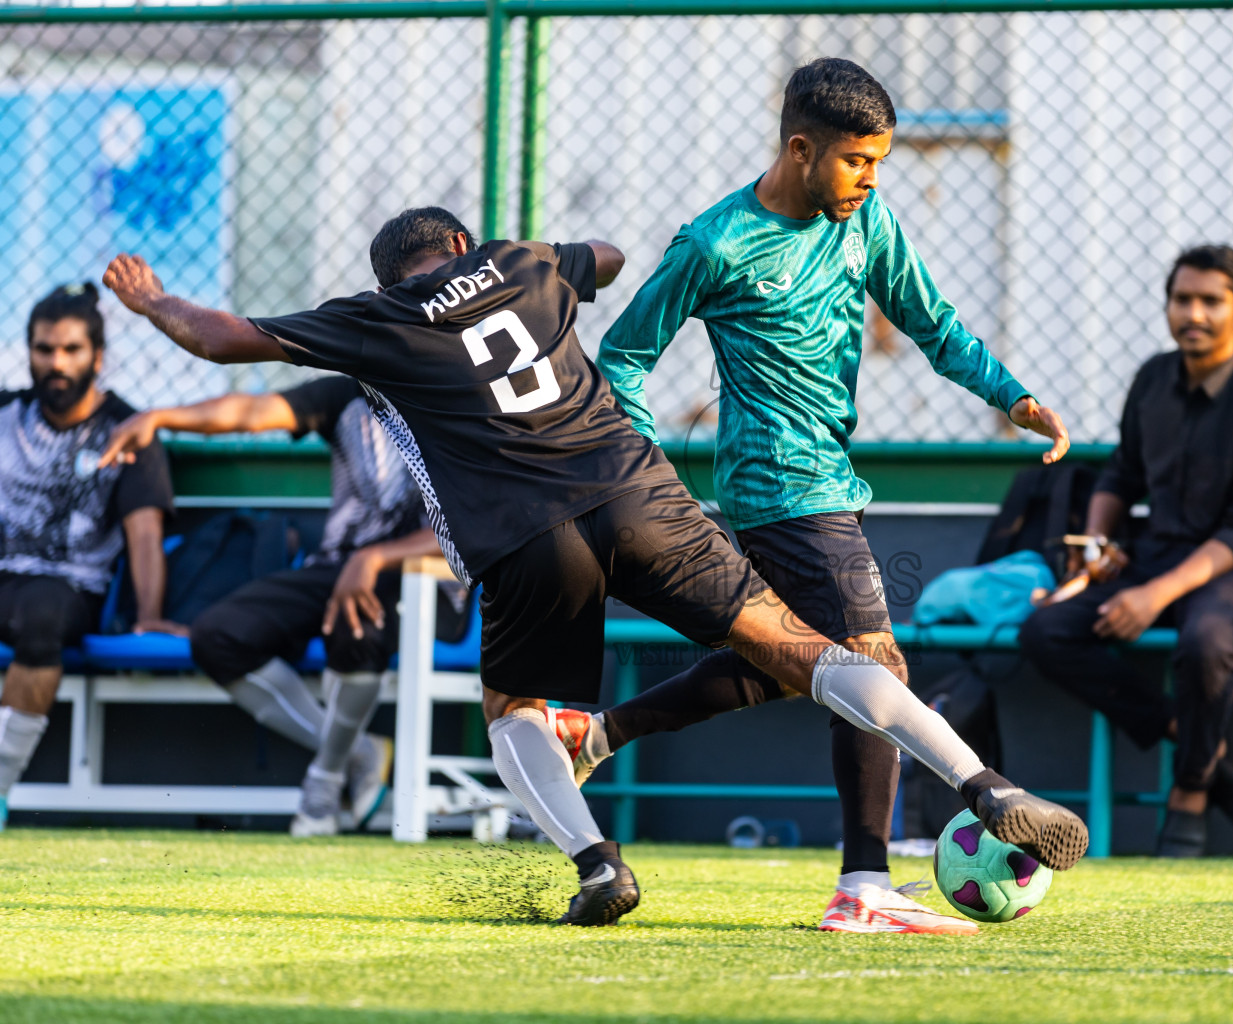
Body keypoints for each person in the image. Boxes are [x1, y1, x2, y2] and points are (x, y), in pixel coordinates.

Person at [101, 207, 1087, 927]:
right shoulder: (525, 264)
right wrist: (548, 265)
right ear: (459, 246)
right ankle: (984, 781)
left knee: (513, 712)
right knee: (801, 645)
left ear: (396, 272)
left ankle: (597, 864)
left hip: (525, 537)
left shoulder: (377, 319)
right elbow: (609, 255)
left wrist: (153, 303)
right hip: (636, 491)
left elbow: (221, 340)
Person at [579, 57, 1069, 935]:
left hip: (831, 482)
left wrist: (1012, 396)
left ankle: (599, 735)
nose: (872, 179)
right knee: (874, 664)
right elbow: (622, 355)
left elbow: (931, 321)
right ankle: (865, 885)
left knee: (792, 663)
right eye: (858, 161)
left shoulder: (866, 219)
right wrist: (646, 471)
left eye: (879, 162)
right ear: (801, 148)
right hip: (780, 487)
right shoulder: (715, 243)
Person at [1018, 245, 1233, 857]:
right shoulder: (1152, 379)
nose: (1193, 313)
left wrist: (1155, 594)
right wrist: (1097, 544)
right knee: (1047, 630)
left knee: (1206, 643)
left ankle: (1190, 793)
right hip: (1155, 558)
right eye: (1182, 299)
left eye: (1211, 302)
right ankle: (1200, 742)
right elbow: (1120, 476)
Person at [100, 375, 451, 836]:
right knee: (218, 636)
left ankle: (322, 786)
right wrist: (160, 416)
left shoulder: (466, 395)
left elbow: (479, 522)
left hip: (428, 577)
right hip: (335, 567)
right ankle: (360, 753)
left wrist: (376, 556)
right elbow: (250, 410)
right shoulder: (349, 392)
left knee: (355, 626)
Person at [0, 283, 176, 829]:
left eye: (71, 350)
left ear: (97, 357)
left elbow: (144, 534)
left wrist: (148, 617)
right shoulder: (6, 416)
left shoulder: (127, 430)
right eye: (44, 349)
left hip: (69, 587)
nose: (56, 362)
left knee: (43, 616)